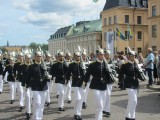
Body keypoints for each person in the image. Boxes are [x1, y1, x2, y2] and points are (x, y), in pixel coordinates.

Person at [84, 47, 110, 120]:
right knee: (100, 105)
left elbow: (108, 74)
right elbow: (87, 74)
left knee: (101, 105)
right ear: (97, 55)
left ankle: (98, 118)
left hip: (103, 85)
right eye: (101, 55)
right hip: (95, 85)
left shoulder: (105, 64)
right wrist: (84, 82)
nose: (102, 56)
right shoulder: (92, 65)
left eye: (103, 55)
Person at [119, 50, 145, 120]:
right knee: (134, 100)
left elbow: (139, 74)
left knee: (132, 101)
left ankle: (131, 116)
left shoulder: (135, 64)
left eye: (134, 56)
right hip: (128, 83)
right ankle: (128, 116)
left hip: (135, 83)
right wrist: (119, 82)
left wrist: (142, 77)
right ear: (128, 56)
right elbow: (121, 74)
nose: (133, 57)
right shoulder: (125, 65)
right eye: (131, 56)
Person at [28, 51, 50, 120]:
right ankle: (36, 117)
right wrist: (28, 85)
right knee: (37, 103)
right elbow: (29, 77)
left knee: (42, 104)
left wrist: (48, 76)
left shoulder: (44, 65)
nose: (39, 57)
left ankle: (39, 117)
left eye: (40, 56)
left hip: (43, 86)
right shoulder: (31, 66)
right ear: (35, 57)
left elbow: (47, 74)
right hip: (35, 86)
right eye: (37, 56)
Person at [66, 51, 86, 120]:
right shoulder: (71, 65)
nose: (78, 57)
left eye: (79, 56)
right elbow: (68, 73)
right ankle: (75, 113)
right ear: (74, 57)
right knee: (78, 98)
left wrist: (85, 82)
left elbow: (84, 74)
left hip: (81, 82)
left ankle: (78, 114)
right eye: (77, 56)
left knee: (81, 99)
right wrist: (66, 80)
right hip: (75, 82)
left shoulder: (82, 64)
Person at [20, 53, 33, 119]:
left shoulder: (33, 65)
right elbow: (20, 75)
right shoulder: (22, 66)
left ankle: (29, 108)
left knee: (31, 97)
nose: (28, 59)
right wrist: (23, 81)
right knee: (27, 97)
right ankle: (28, 112)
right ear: (25, 58)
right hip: (25, 84)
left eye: (29, 58)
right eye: (27, 58)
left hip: (32, 84)